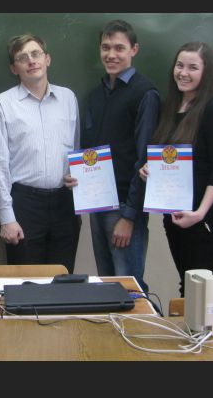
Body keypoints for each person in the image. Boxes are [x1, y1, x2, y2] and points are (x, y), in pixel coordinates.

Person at [65, 19, 160, 292]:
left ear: (134, 50)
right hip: (98, 204)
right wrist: (76, 175)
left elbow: (145, 159)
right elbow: (90, 151)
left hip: (124, 207)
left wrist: (129, 217)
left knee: (129, 288)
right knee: (107, 286)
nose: (111, 54)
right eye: (105, 47)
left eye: (119, 48)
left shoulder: (145, 93)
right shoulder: (97, 95)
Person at [140, 41, 213, 297]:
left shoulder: (212, 111)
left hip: (203, 218)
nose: (183, 73)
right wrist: (148, 169)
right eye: (180, 66)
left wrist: (200, 213)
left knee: (197, 290)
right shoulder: (170, 108)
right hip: (175, 214)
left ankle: (199, 326)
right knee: (186, 284)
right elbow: (165, 158)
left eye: (193, 67)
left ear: (207, 73)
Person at [0, 33, 80, 273]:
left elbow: (76, 148)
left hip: (65, 204)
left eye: (36, 54)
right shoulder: (2, 104)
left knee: (62, 278)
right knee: (25, 282)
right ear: (14, 68)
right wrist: (7, 218)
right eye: (22, 57)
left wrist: (78, 175)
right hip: (24, 205)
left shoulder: (68, 98)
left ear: (47, 59)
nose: (31, 61)